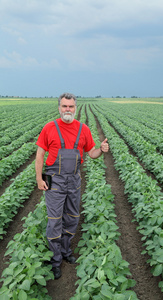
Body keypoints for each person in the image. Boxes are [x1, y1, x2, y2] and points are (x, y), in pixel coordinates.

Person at [35, 93, 109, 279]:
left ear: (75, 108)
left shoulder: (83, 129)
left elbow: (91, 153)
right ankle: (55, 259)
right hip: (55, 182)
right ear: (59, 107)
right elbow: (40, 155)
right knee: (54, 221)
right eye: (64, 106)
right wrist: (38, 179)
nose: (68, 109)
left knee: (73, 218)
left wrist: (101, 149)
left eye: (71, 106)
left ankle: (66, 251)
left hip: (74, 181)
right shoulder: (49, 128)